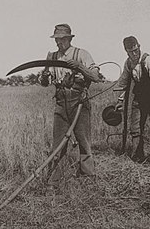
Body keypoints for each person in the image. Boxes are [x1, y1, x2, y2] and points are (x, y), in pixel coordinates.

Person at [40, 24, 102, 186]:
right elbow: (44, 83)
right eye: (56, 40)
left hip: (79, 101)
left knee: (83, 140)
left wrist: (79, 66)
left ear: (69, 39)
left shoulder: (81, 54)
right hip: (60, 102)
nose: (58, 43)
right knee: (58, 143)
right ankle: (54, 180)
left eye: (61, 40)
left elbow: (96, 76)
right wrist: (45, 76)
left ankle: (88, 177)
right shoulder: (52, 56)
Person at [116, 36, 150, 163]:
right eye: (131, 51)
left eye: (136, 50)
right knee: (135, 129)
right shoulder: (128, 63)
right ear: (126, 51)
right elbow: (124, 83)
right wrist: (120, 100)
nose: (134, 54)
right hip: (139, 100)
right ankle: (138, 157)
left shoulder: (148, 61)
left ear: (139, 47)